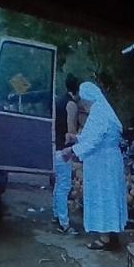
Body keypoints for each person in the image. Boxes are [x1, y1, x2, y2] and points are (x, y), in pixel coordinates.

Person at [62, 81, 126, 251]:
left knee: (102, 197)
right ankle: (111, 234)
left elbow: (94, 141)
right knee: (110, 197)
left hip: (103, 164)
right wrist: (76, 139)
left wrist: (72, 150)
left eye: (83, 100)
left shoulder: (98, 111)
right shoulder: (103, 110)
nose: (82, 104)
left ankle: (105, 238)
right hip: (107, 161)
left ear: (87, 98)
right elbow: (93, 136)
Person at [51, 75, 83, 235]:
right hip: (64, 150)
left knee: (59, 185)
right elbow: (70, 131)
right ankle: (64, 224)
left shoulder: (58, 101)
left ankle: (56, 214)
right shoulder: (71, 104)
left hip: (55, 147)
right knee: (64, 187)